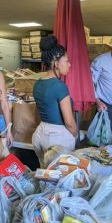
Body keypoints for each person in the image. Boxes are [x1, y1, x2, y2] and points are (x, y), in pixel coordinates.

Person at [32, 35, 77, 167]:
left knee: (45, 174)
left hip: (40, 134)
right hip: (57, 137)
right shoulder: (59, 86)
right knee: (60, 178)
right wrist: (74, 135)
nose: (69, 64)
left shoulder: (38, 84)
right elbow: (69, 123)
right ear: (56, 63)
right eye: (67, 60)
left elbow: (38, 113)